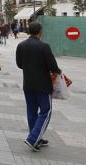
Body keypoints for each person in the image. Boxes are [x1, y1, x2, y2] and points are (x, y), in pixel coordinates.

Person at [16, 22, 62, 151]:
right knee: (45, 111)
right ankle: (33, 138)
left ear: (29, 31)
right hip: (43, 85)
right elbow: (53, 66)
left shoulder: (21, 45)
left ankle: (36, 138)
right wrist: (58, 71)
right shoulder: (44, 46)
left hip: (28, 84)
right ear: (40, 32)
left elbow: (19, 64)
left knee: (31, 111)